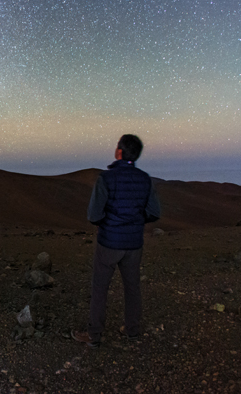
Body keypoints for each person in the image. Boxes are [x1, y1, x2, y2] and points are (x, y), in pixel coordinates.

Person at [72, 134, 161, 348]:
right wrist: (136, 221)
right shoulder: (144, 179)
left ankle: (94, 335)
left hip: (109, 244)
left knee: (100, 288)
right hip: (133, 245)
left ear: (119, 152)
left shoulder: (106, 179)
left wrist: (109, 223)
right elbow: (154, 212)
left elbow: (93, 215)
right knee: (132, 287)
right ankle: (132, 331)